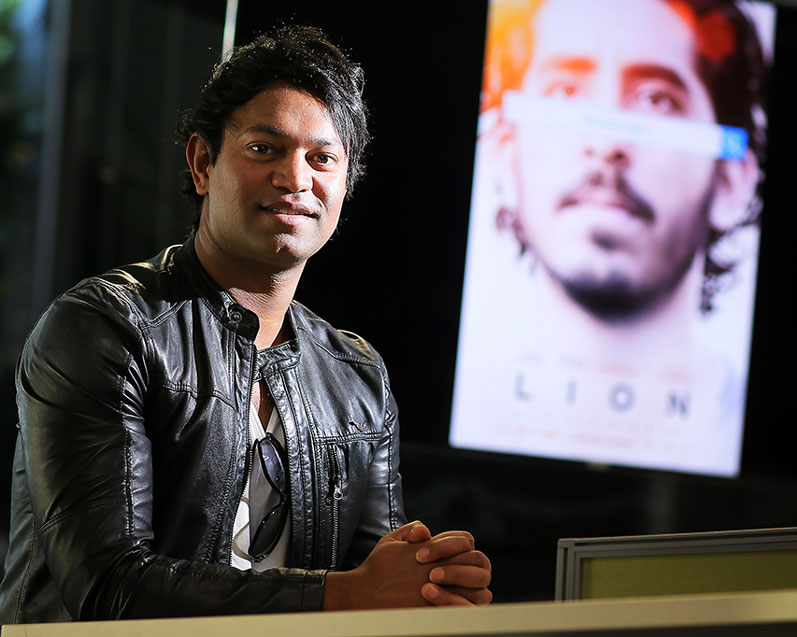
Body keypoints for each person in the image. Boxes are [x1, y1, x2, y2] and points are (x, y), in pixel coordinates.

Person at [0, 25, 491, 623]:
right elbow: (108, 588)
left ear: (345, 184)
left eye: (322, 158)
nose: (295, 178)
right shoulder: (105, 327)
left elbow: (376, 588)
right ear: (203, 162)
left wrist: (428, 585)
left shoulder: (357, 378)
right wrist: (343, 595)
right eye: (265, 149)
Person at [450, 0, 769, 476]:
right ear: (503, 154)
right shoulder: (409, 406)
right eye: (564, 91)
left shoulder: (763, 449)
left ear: (731, 179)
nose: (605, 145)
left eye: (656, 99)